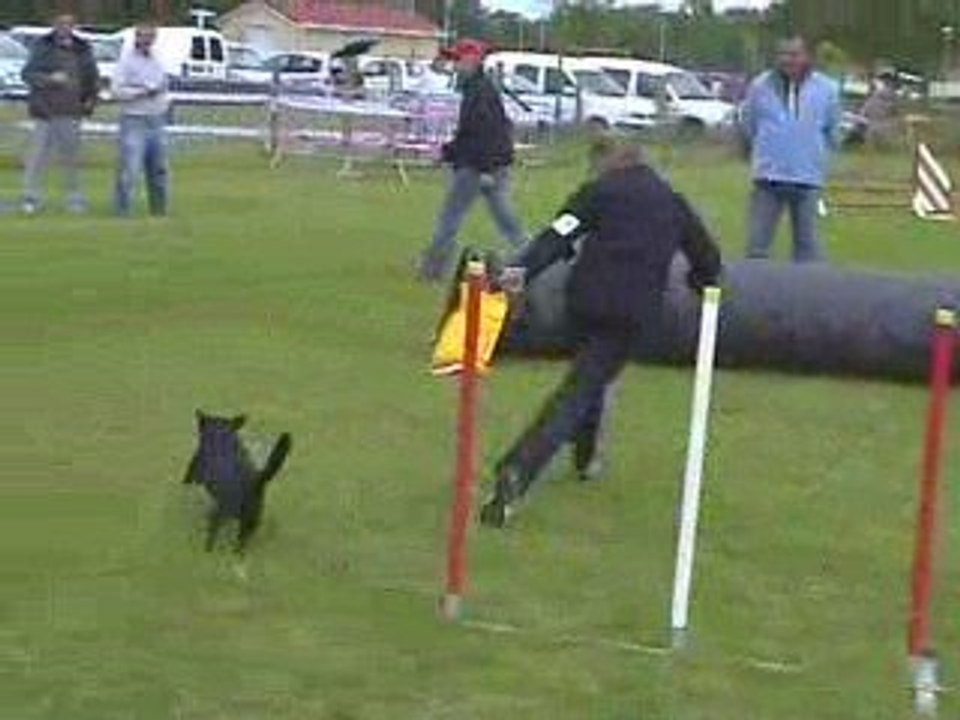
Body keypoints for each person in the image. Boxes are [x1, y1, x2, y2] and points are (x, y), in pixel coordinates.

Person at [479, 138, 722, 529]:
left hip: (586, 301)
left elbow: (559, 234)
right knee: (581, 389)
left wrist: (522, 269)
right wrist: (701, 283)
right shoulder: (672, 202)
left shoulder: (600, 192)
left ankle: (585, 458)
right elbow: (708, 258)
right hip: (632, 311)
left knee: (590, 376)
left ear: (611, 164)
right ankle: (519, 469)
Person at [417, 38, 526, 282]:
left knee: (450, 218)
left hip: (477, 166)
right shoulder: (480, 89)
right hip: (491, 164)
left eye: (457, 59)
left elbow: (481, 134)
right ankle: (530, 258)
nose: (453, 65)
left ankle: (432, 269)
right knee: (507, 219)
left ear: (472, 61)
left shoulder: (479, 92)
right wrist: (450, 153)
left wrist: (477, 166)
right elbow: (480, 133)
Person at [740, 36, 841, 262]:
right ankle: (755, 291)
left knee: (808, 248)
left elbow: (833, 130)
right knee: (757, 245)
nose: (787, 60)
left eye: (794, 54)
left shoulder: (827, 89)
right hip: (768, 177)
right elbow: (749, 124)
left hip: (808, 178)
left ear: (806, 56)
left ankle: (809, 294)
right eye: (782, 54)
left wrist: (818, 155)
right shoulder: (760, 86)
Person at [20, 14, 100, 214]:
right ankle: (31, 198)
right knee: (37, 157)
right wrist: (49, 79)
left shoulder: (83, 49)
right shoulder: (42, 46)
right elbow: (27, 74)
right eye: (61, 24)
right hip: (44, 111)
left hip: (72, 111)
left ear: (74, 27)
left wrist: (91, 99)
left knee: (72, 158)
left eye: (69, 24)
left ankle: (74, 199)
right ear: (54, 26)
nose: (65, 27)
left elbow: (92, 77)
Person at [112, 22, 169, 217]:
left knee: (159, 169)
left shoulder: (157, 60)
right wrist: (141, 92)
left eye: (151, 36)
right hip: (134, 120)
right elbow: (116, 91)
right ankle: (123, 209)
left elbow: (163, 84)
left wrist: (161, 94)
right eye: (143, 36)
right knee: (130, 168)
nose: (147, 40)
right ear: (137, 37)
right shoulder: (126, 62)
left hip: (156, 119)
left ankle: (159, 210)